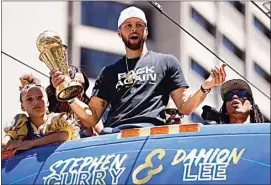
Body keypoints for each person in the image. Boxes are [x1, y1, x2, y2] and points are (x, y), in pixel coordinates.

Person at [50, 6, 226, 132]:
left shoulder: (166, 62)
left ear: (146, 31)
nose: (134, 29)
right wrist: (69, 96)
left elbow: (185, 108)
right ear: (120, 32)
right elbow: (92, 117)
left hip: (150, 135)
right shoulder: (109, 72)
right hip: (114, 136)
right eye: (128, 25)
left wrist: (206, 86)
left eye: (139, 25)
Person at [2, 74, 79, 153]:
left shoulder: (57, 120)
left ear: (47, 102)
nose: (36, 102)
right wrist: (8, 143)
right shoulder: (20, 124)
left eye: (40, 97)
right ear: (22, 106)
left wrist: (30, 144)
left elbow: (64, 135)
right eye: (29, 99)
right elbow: (5, 143)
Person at [47, 66, 104, 137]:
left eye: (82, 85)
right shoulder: (46, 105)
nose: (80, 89)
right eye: (75, 83)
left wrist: (88, 127)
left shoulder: (91, 109)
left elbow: (101, 137)